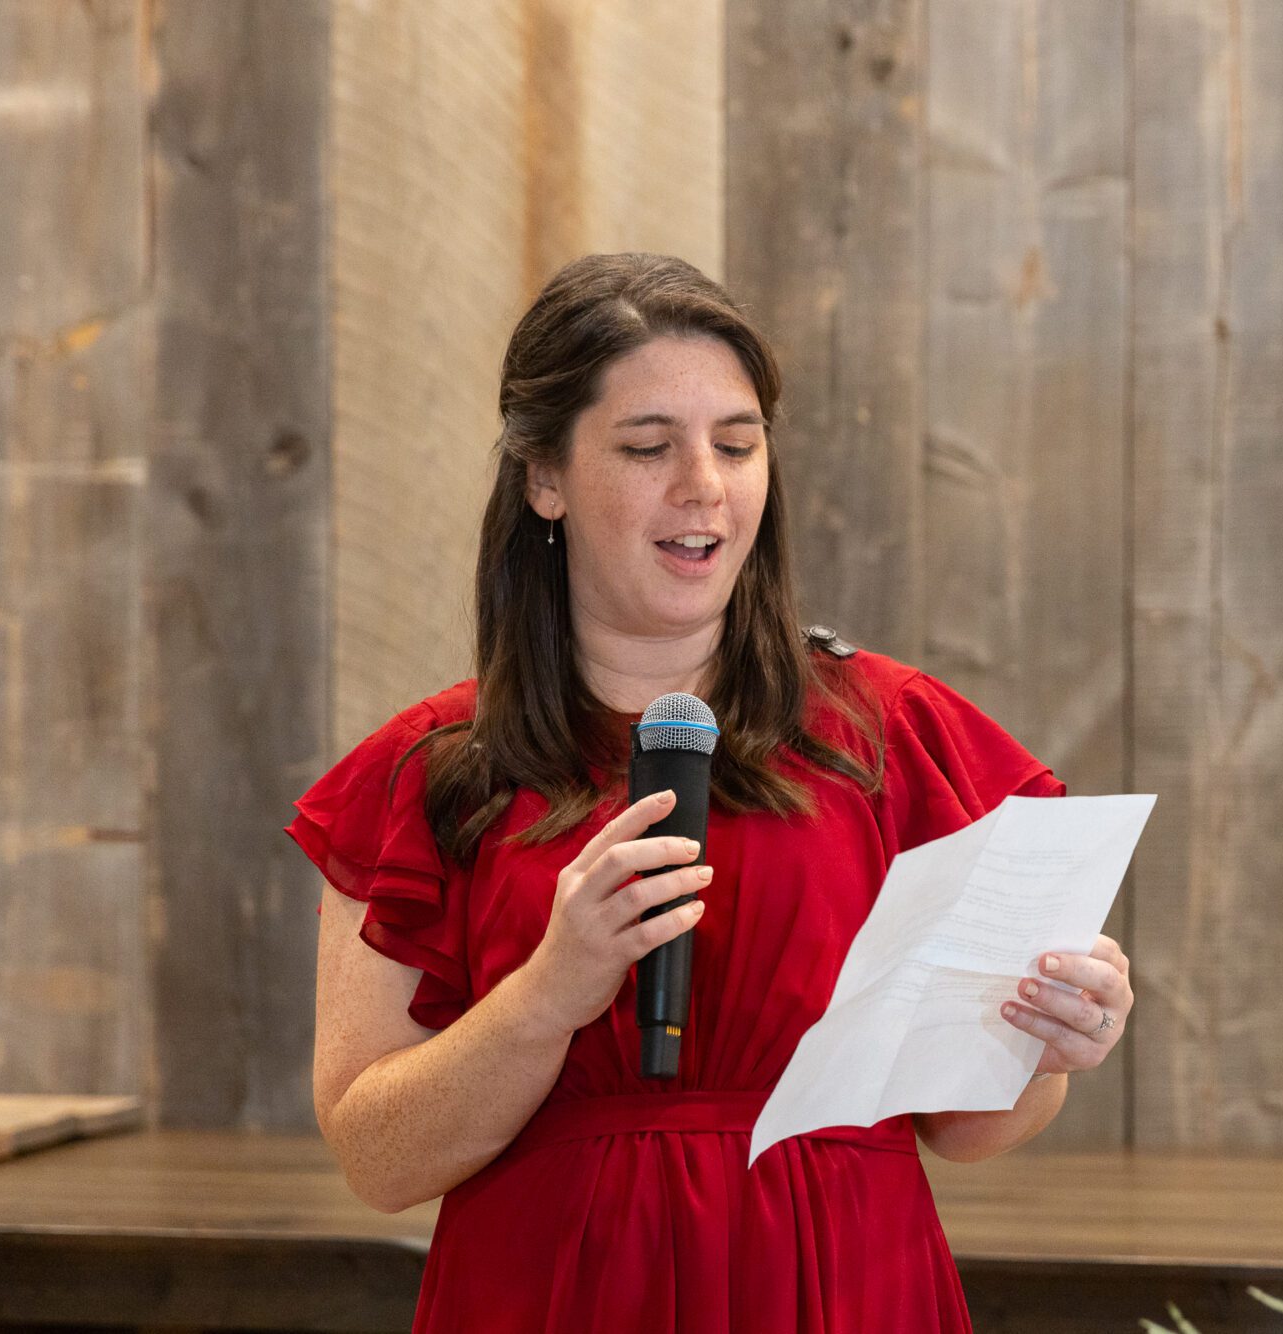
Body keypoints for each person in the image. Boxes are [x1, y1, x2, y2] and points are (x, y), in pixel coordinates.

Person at [288, 253, 1135, 1331]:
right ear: (543, 476)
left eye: (736, 444)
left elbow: (966, 1123)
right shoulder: (427, 771)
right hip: (551, 1294)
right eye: (649, 446)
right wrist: (551, 989)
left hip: (841, 1288)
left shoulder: (897, 735)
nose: (705, 483)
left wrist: (1051, 1037)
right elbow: (378, 1157)